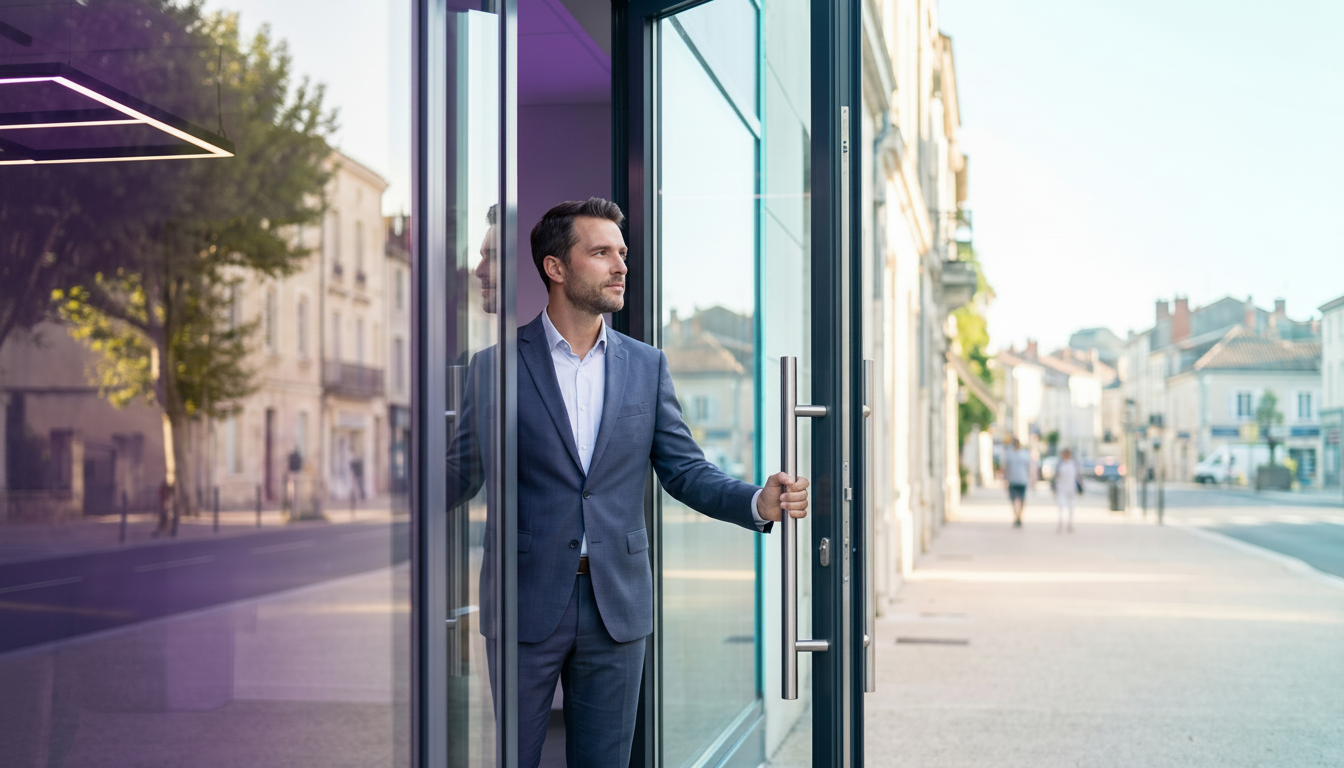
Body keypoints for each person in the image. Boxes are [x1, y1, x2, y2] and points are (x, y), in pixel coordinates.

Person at [448, 197, 810, 768]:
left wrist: (757, 502)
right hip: (524, 600)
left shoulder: (647, 366)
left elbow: (685, 470)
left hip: (616, 606)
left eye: (622, 253)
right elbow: (459, 472)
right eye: (601, 253)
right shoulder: (494, 367)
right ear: (556, 268)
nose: (621, 266)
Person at [1003, 437, 1032, 527]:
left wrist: (1030, 479)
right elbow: (1006, 467)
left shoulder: (1024, 454)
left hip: (1022, 480)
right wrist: (1005, 479)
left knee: (1022, 500)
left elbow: (1029, 467)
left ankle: (1019, 516)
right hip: (1013, 480)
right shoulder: (1009, 454)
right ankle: (1017, 516)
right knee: (1014, 500)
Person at [1052, 448, 1081, 533]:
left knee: (1071, 506)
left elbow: (1078, 476)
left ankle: (1070, 523)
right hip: (1061, 488)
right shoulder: (1060, 464)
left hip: (1072, 488)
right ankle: (1060, 521)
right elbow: (1056, 476)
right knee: (1061, 505)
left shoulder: (1074, 464)